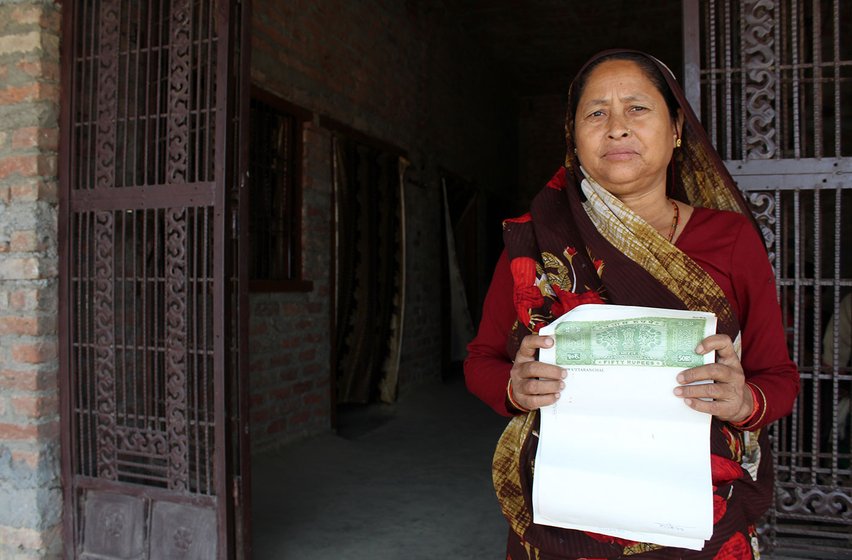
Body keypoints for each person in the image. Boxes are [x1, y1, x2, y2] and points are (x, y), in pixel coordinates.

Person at [464, 49, 800, 560]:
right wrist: (514, 388)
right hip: (564, 510)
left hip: (696, 513)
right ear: (574, 139)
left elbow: (778, 375)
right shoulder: (534, 241)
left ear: (677, 130)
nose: (616, 127)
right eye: (596, 113)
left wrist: (744, 402)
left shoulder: (729, 239)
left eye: (638, 108)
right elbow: (481, 359)